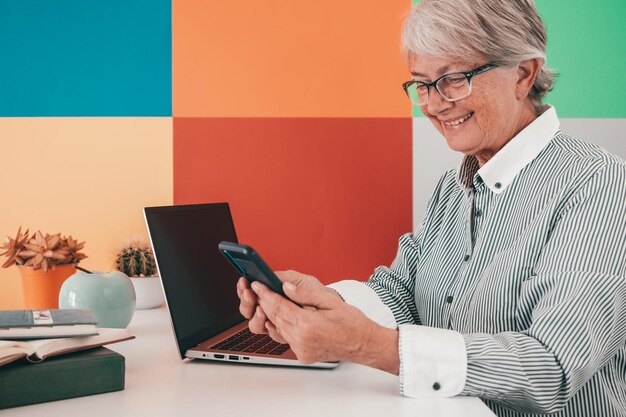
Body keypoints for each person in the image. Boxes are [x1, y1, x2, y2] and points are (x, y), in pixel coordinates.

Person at [236, 1, 626, 416]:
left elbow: (552, 367)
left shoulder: (598, 185)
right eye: (422, 84)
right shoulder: (451, 187)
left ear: (523, 73)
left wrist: (368, 344)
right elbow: (401, 293)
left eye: (454, 79)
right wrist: (318, 305)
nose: (436, 104)